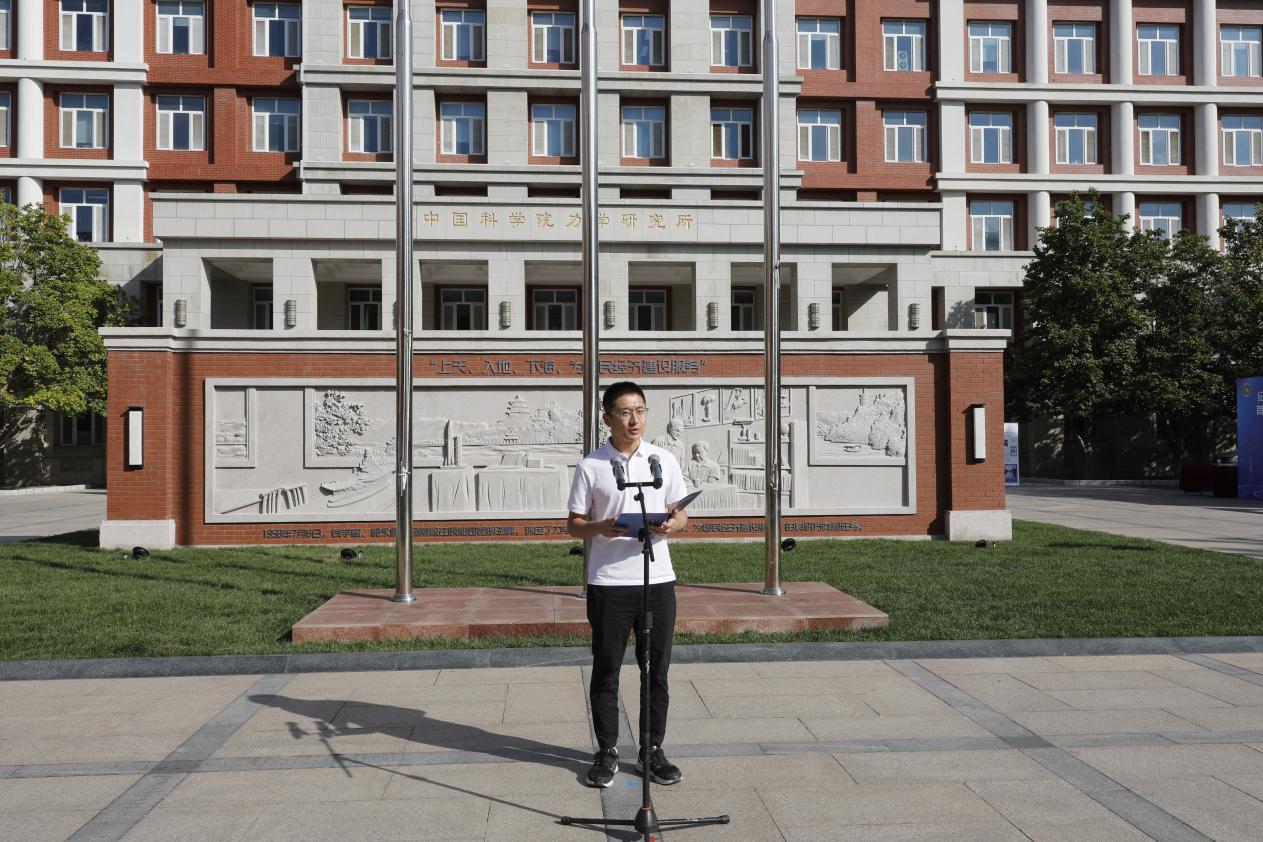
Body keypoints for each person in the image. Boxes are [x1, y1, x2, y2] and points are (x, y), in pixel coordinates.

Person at [566, 381, 689, 789]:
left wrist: (673, 524)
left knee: (657, 670)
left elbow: (681, 513)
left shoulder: (663, 460)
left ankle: (652, 750)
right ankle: (607, 750)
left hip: (658, 580)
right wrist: (600, 526)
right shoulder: (591, 465)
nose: (634, 419)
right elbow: (573, 525)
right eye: (624, 411)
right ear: (607, 418)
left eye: (640, 410)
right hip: (610, 582)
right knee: (607, 668)